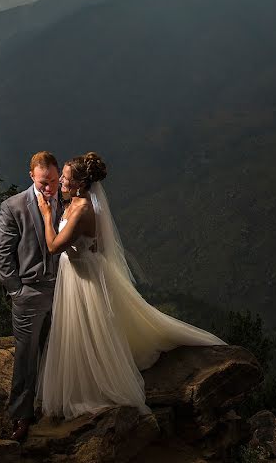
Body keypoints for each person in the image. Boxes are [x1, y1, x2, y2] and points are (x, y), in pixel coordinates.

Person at [36, 152, 225, 420]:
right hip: (80, 270)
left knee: (87, 328)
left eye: (66, 179)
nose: (61, 182)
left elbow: (55, 246)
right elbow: (98, 243)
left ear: (80, 183)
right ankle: (86, 373)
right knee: (83, 327)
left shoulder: (82, 209)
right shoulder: (81, 202)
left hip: (82, 278)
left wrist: (46, 215)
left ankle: (94, 383)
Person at [0, 151, 64, 441]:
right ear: (31, 177)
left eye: (53, 181)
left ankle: (54, 405)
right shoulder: (13, 206)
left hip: (65, 291)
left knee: (59, 350)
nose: (49, 188)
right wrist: (16, 291)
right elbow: (3, 253)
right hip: (30, 291)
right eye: (43, 183)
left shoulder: (70, 200)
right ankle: (21, 416)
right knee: (26, 356)